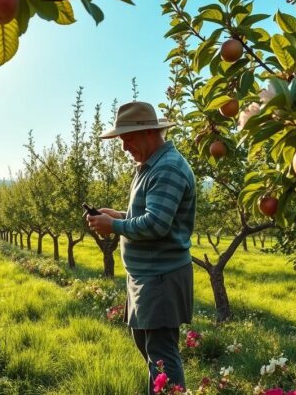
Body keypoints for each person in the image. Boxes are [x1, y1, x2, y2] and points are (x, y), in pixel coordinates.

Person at [86, 101, 196, 394]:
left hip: (161, 276)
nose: (123, 147)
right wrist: (118, 216)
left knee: (161, 355)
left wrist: (114, 227)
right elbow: (149, 215)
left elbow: (157, 225)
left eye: (127, 139)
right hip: (147, 276)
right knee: (150, 350)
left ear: (148, 132)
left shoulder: (168, 168)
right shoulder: (149, 166)